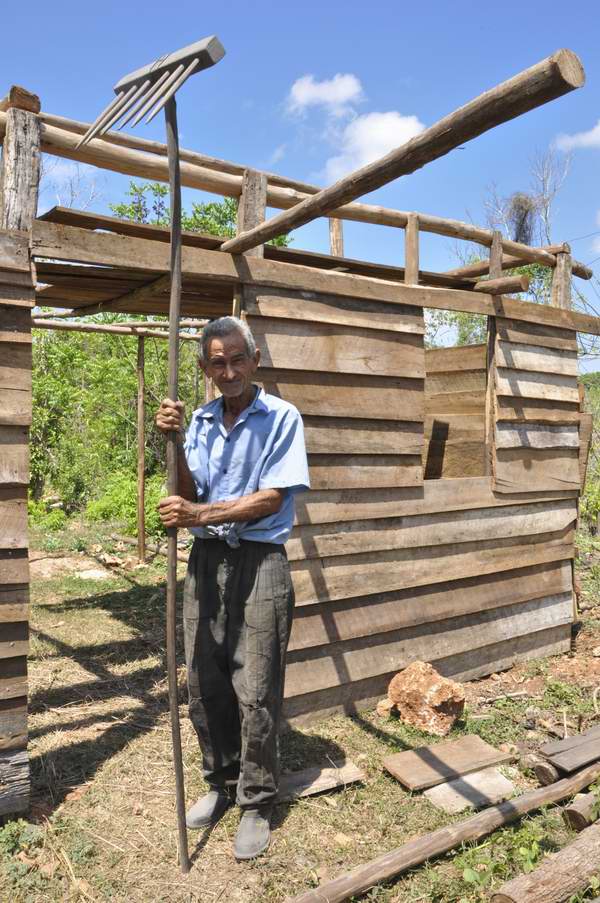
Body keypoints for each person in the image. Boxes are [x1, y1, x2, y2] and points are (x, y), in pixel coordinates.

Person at [155, 316, 309, 861]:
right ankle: (220, 783)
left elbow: (270, 498)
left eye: (237, 358)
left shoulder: (282, 418)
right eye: (217, 362)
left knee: (256, 683)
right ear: (205, 368)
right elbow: (188, 488)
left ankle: (257, 800)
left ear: (256, 359)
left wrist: (199, 512)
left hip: (260, 560)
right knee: (205, 680)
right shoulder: (198, 420)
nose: (229, 371)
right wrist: (171, 442)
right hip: (205, 560)